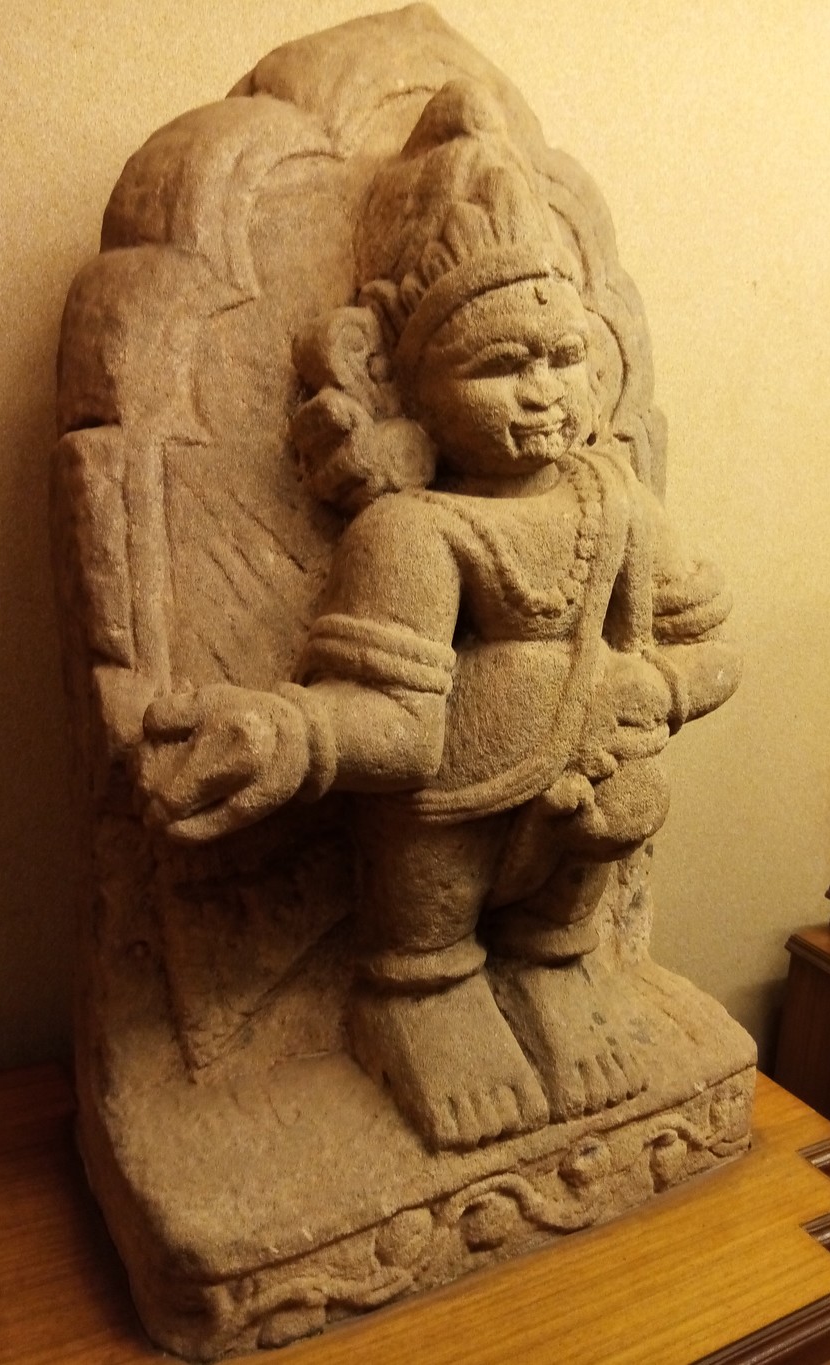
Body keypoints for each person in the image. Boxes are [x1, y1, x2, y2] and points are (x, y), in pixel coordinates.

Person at [137, 81, 739, 1150]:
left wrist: (657, 685)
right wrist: (287, 734)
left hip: (591, 788)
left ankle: (555, 970)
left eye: (563, 359)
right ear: (406, 383)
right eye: (501, 365)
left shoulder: (616, 503)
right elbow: (399, 723)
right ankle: (422, 997)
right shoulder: (414, 530)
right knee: (428, 904)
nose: (545, 392)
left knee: (615, 826)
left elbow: (711, 648)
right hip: (445, 810)